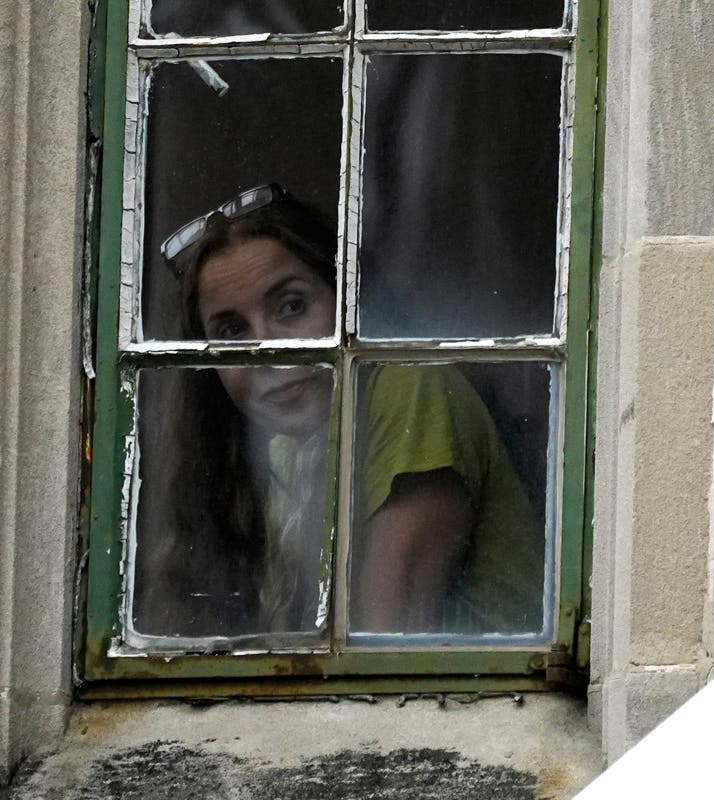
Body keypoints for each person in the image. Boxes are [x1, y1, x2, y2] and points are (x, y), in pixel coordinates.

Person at [133, 184, 544, 640]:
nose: (268, 351)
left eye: (292, 306)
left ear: (349, 302)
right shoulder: (283, 454)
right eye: (232, 333)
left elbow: (377, 649)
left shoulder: (411, 385)